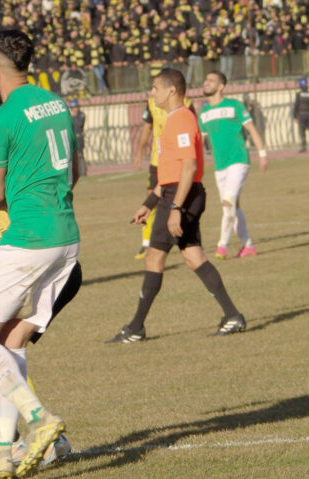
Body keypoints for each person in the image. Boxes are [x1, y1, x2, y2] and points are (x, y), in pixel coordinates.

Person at [0, 30, 82, 479]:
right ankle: (1, 452)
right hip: (67, 236)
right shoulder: (57, 104)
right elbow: (76, 171)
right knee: (9, 341)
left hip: (28, 237)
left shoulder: (1, 120)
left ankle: (40, 419)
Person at [107, 69, 246, 344]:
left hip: (181, 197)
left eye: (155, 88)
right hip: (176, 194)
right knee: (193, 257)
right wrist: (149, 204)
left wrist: (176, 208)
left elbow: (189, 167)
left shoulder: (181, 119)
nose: (152, 93)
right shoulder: (174, 120)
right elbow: (169, 174)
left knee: (154, 258)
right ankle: (233, 316)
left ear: (171, 90)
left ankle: (135, 327)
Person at [199, 72, 268, 260]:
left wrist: (262, 154)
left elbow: (252, 129)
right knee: (231, 208)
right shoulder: (203, 113)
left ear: (221, 86)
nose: (206, 83)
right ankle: (248, 245)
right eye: (206, 80)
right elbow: (200, 141)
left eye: (211, 80)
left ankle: (222, 246)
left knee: (228, 200)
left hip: (239, 160)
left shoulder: (235, 105)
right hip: (219, 165)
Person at [133, 95, 195, 259]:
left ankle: (162, 241)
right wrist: (140, 151)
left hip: (176, 160)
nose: (153, 91)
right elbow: (147, 127)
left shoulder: (186, 105)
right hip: (156, 159)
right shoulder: (152, 102)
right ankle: (146, 241)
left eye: (156, 87)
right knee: (151, 197)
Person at [68, 99, 87, 178]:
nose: (76, 109)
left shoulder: (81, 115)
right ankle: (71, 174)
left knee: (79, 155)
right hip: (72, 137)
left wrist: (73, 116)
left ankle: (82, 172)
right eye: (74, 107)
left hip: (79, 137)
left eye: (76, 107)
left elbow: (80, 125)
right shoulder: (68, 116)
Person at [293, 76, 309, 153]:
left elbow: (296, 106)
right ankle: (303, 146)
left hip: (302, 115)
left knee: (302, 132)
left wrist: (295, 116)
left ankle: (303, 146)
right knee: (302, 131)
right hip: (307, 114)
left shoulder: (298, 94)